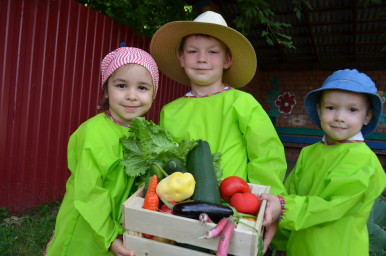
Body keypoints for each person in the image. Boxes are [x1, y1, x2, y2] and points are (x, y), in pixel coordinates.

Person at [150, 11, 287, 198]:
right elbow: (166, 163)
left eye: (212, 51)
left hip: (235, 211)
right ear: (181, 58)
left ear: (227, 60)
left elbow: (267, 158)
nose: (202, 59)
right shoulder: (170, 111)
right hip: (182, 209)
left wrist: (266, 202)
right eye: (192, 51)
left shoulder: (243, 103)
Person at [44, 47, 159, 256]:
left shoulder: (145, 134)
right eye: (122, 85)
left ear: (153, 94)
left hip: (119, 229)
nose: (132, 96)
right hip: (88, 228)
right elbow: (89, 193)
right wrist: (110, 237)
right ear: (106, 91)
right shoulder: (94, 132)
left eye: (142, 88)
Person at [260, 69, 386, 256]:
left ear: (367, 116)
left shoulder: (363, 159)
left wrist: (283, 209)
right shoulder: (308, 153)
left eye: (352, 110)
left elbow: (333, 206)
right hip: (298, 249)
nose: (339, 117)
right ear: (319, 110)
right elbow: (288, 193)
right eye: (331, 108)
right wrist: (275, 229)